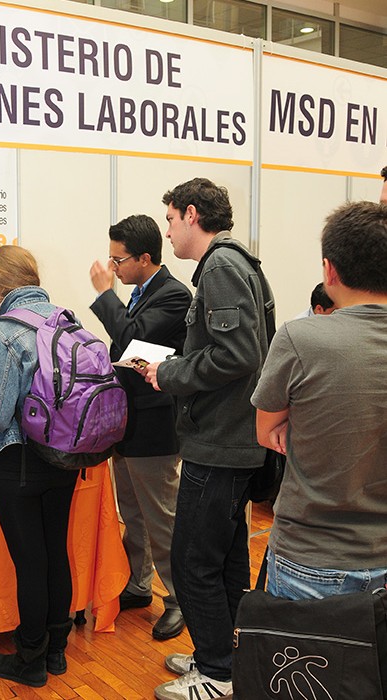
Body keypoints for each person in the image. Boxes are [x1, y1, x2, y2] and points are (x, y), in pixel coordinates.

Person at [142, 178, 272, 700]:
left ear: (192, 214)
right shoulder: (236, 264)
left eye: (171, 220)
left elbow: (237, 355)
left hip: (219, 443)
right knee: (225, 561)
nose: (168, 232)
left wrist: (170, 373)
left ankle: (217, 672)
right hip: (231, 440)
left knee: (193, 561)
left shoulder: (220, 267)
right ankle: (224, 656)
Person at [0, 245, 79, 688]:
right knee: (55, 552)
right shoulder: (65, 319)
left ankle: (30, 659)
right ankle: (57, 649)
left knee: (30, 562)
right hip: (65, 456)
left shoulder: (4, 331)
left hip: (19, 460)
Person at [252, 200, 387, 601]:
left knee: (298, 648)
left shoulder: (300, 338)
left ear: (329, 270)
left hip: (311, 555)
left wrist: (300, 423)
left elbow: (266, 431)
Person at [89, 214, 191, 641]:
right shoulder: (140, 293)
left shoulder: (174, 296)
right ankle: (137, 582)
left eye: (119, 260)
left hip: (155, 426)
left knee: (161, 519)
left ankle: (180, 599)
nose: (113, 268)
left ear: (144, 258)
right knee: (132, 513)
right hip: (127, 423)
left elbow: (132, 340)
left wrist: (104, 295)